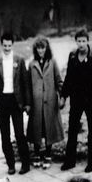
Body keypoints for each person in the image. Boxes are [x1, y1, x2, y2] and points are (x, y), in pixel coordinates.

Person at [60, 29, 92, 172]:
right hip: (76, 99)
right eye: (79, 41)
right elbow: (68, 78)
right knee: (72, 129)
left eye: (83, 41)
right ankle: (70, 160)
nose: (81, 44)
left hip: (90, 99)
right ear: (76, 42)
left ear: (88, 41)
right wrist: (63, 96)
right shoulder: (72, 57)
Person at [0, 32, 31, 175]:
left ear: (13, 45)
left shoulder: (19, 60)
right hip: (2, 102)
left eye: (9, 45)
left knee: (19, 134)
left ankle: (25, 164)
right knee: (4, 135)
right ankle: (10, 164)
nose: (7, 48)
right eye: (4, 45)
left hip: (16, 101)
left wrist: (27, 103)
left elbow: (25, 83)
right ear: (2, 45)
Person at [27, 37, 64, 170]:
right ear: (35, 50)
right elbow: (27, 85)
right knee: (37, 128)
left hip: (50, 101)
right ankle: (37, 154)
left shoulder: (52, 62)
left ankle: (48, 155)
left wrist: (62, 96)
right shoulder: (32, 64)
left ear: (46, 49)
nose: (41, 50)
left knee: (49, 128)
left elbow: (59, 81)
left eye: (43, 48)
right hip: (36, 103)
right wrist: (28, 103)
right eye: (38, 48)